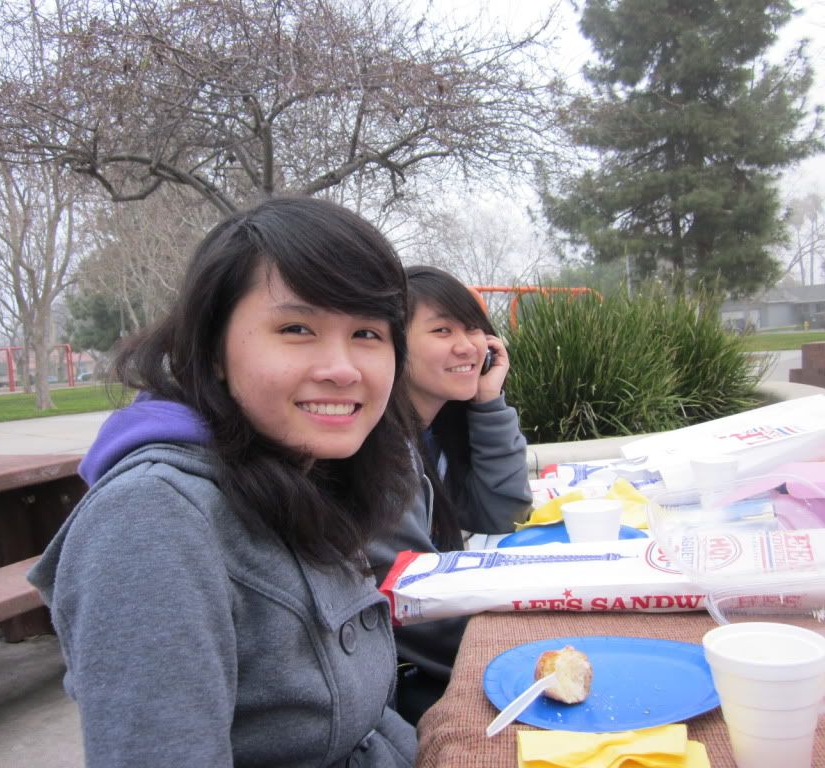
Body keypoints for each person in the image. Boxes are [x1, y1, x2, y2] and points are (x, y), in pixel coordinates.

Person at [28, 197, 419, 767]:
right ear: (213, 350)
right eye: (297, 328)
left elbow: (364, 715)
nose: (342, 368)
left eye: (366, 333)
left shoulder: (307, 468)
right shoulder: (151, 520)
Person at [366, 265, 532, 725]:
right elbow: (410, 598)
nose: (467, 346)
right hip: (399, 686)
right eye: (442, 331)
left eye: (474, 329)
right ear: (391, 345)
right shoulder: (378, 451)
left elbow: (502, 515)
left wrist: (488, 402)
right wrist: (525, 647)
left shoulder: (436, 432)